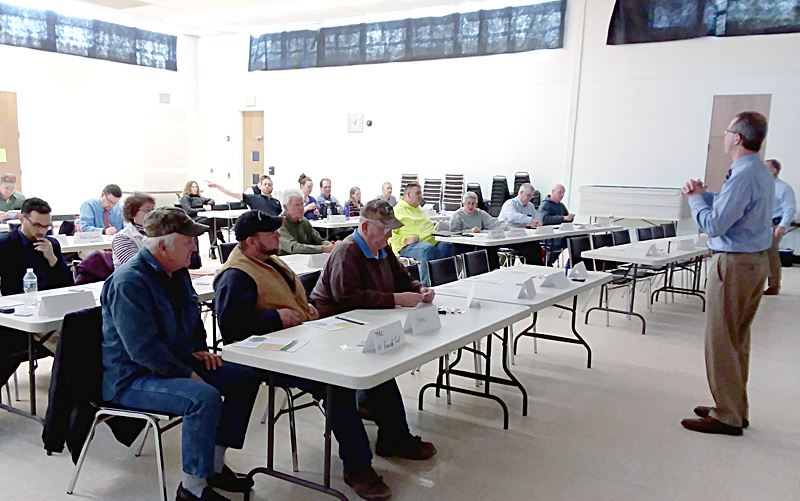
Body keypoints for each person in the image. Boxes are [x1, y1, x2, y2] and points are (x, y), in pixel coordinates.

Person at [101, 207, 260, 501]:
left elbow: (192, 318)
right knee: (203, 397)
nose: (195, 247)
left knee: (245, 378)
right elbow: (142, 350)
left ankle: (213, 464)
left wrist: (199, 349)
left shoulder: (177, 272)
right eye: (188, 241)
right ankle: (192, 488)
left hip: (174, 361)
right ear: (162, 246)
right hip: (132, 377)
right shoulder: (129, 283)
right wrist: (187, 373)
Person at [309, 199, 437, 498]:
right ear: (365, 227)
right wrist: (395, 298)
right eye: (385, 230)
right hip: (334, 331)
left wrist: (418, 290)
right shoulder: (347, 252)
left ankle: (393, 436)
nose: (390, 236)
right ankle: (358, 465)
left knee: (383, 374)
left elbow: (402, 279)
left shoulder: (382, 249)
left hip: (368, 324)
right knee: (347, 388)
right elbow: (346, 297)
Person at [680, 111, 774, 436]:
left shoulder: (745, 175)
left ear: (737, 137)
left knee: (720, 339)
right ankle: (735, 406)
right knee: (737, 338)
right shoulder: (759, 172)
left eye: (727, 131)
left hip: (734, 263)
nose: (723, 135)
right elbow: (727, 206)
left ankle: (727, 415)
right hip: (754, 262)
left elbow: (714, 224)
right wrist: (704, 196)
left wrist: (694, 201)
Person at [0, 197, 74, 387]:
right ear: (22, 219)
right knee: (72, 342)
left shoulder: (52, 244)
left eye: (47, 227)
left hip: (52, 308)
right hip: (22, 313)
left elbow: (68, 284)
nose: (42, 231)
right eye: (37, 225)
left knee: (82, 332)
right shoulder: (6, 245)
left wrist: (53, 260)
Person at [388, 182, 454, 285]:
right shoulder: (396, 211)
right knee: (427, 249)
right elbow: (389, 236)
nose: (420, 196)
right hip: (407, 245)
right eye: (417, 193)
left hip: (431, 240)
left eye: (421, 193)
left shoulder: (420, 210)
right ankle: (427, 286)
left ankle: (447, 283)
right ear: (408, 195)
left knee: (447, 245)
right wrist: (406, 240)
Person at [763, 159, 796, 296]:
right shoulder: (760, 185)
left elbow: (789, 208)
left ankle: (774, 285)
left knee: (771, 254)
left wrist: (782, 226)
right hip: (759, 224)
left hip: (774, 225)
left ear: (774, 170)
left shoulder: (784, 188)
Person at [449, 191, 506, 269]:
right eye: (468, 203)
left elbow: (493, 223)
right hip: (462, 244)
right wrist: (469, 231)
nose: (471, 206)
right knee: (483, 249)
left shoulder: (480, 213)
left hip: (479, 242)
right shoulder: (457, 215)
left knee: (492, 247)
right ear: (464, 203)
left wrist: (509, 228)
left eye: (473, 203)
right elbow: (454, 233)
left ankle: (494, 271)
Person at [496, 183, 544, 265]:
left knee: (535, 245)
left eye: (531, 196)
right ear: (521, 193)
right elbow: (513, 216)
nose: (530, 198)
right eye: (528, 195)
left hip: (521, 237)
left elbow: (536, 219)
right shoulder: (510, 203)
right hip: (506, 237)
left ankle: (537, 268)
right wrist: (530, 220)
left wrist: (537, 223)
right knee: (531, 248)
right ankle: (532, 268)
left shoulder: (530, 206)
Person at [278, 189, 335, 255]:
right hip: (286, 261)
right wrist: (323, 249)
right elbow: (294, 247)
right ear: (286, 207)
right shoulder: (279, 224)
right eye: (297, 205)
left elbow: (319, 240)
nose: (301, 208)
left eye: (302, 204)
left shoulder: (304, 221)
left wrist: (332, 245)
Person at [180, 180, 226, 259]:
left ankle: (213, 248)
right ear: (188, 188)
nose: (195, 189)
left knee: (213, 223)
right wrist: (203, 209)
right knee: (212, 222)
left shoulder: (200, 198)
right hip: (192, 219)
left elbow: (212, 200)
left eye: (196, 187)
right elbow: (189, 211)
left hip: (202, 218)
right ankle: (220, 242)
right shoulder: (185, 198)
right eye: (193, 187)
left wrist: (209, 205)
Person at [111, 192, 155, 268]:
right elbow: (137, 266)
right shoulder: (122, 238)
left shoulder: (158, 232)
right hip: (134, 278)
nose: (153, 214)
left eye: (153, 210)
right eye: (147, 211)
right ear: (132, 213)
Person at [206, 175, 281, 216]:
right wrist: (218, 186)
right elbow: (232, 192)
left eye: (269, 184)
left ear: (272, 187)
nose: (267, 186)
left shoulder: (276, 202)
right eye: (265, 184)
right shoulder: (253, 198)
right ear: (260, 186)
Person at [538, 184, 576, 266]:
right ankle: (549, 262)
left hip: (560, 234)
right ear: (552, 192)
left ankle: (573, 263)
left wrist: (570, 218)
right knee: (572, 241)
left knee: (580, 238)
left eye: (563, 193)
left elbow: (566, 218)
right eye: (560, 192)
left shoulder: (561, 205)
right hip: (550, 237)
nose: (562, 195)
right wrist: (564, 218)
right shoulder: (545, 205)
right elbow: (544, 219)